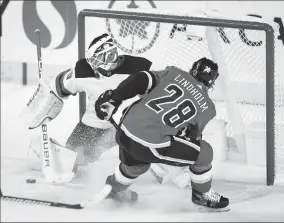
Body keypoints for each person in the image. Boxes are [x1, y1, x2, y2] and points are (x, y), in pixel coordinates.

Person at [95, 57, 229, 211]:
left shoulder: (173, 73)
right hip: (150, 144)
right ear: (212, 82)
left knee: (137, 165)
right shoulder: (208, 108)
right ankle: (202, 194)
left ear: (193, 69)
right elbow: (192, 138)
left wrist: (113, 98)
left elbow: (141, 79)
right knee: (205, 153)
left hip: (125, 130)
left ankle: (112, 190)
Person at [24, 33, 152, 173]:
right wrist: (51, 102)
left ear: (111, 56)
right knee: (69, 163)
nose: (93, 66)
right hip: (91, 127)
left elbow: (155, 95)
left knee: (129, 162)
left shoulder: (139, 67)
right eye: (92, 60)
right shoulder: (83, 70)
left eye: (97, 60)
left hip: (125, 128)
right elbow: (60, 86)